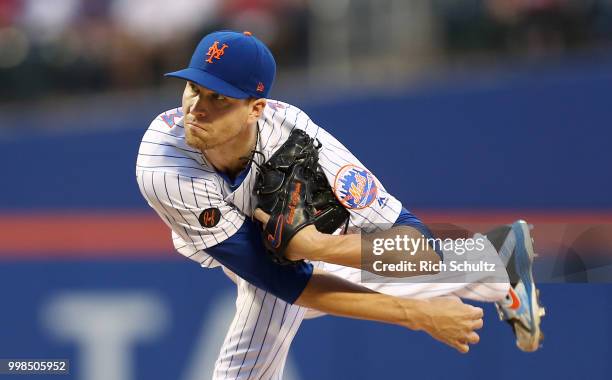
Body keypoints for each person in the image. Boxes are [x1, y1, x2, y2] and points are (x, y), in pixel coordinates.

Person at [136, 30, 544, 379]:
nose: (196, 108)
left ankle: (497, 262)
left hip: (291, 250)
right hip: (238, 246)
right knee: (286, 283)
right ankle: (495, 262)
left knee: (281, 301)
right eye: (193, 88)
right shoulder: (164, 166)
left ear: (256, 109)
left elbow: (418, 248)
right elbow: (284, 281)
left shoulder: (299, 138)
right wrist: (417, 314)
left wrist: (316, 246)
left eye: (219, 98)